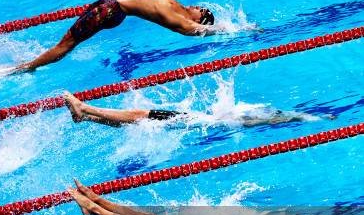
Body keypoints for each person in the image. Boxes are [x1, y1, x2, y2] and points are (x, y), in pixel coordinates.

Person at [9, 0, 217, 73]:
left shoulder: (180, 19)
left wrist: (221, 29)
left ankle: (29, 66)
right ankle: (37, 61)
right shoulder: (179, 7)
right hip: (111, 7)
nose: (200, 7)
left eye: (203, 12)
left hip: (110, 10)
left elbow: (191, 31)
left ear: (200, 20)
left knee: (66, 44)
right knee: (68, 40)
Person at [63, 91, 334, 128]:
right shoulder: (251, 116)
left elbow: (292, 116)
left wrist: (316, 117)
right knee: (139, 120)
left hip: (197, 123)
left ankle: (85, 107)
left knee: (141, 115)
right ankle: (85, 117)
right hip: (199, 123)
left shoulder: (255, 119)